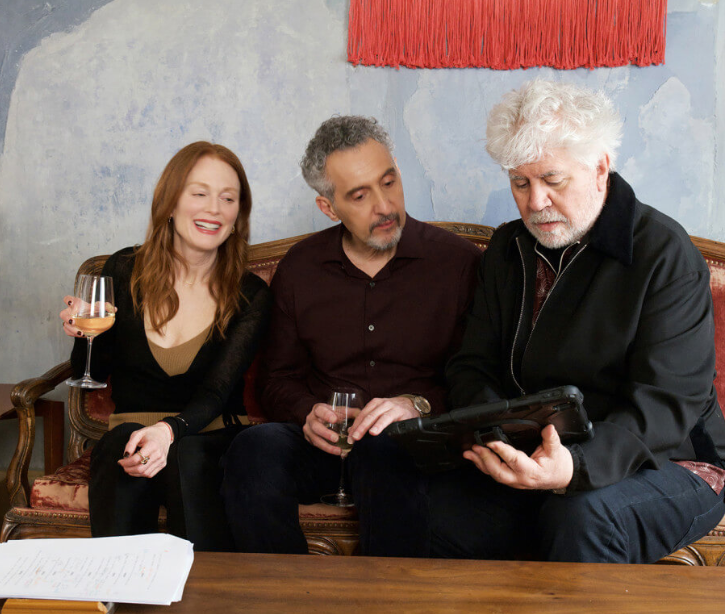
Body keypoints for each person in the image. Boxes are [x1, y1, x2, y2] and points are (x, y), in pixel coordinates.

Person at [438, 79, 725, 563]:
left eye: (552, 180)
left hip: (670, 462)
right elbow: (471, 365)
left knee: (578, 514)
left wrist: (575, 468)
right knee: (413, 487)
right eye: (520, 183)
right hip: (536, 453)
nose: (535, 202)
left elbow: (667, 404)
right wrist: (497, 435)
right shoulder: (507, 249)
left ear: (600, 169)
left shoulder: (664, 252)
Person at [221, 115, 481, 556]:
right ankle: (284, 589)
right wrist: (308, 413)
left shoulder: (458, 263)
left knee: (384, 448)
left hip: (414, 448)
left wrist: (416, 404)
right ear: (329, 207)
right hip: (328, 448)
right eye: (360, 196)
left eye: (389, 182)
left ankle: (389, 592)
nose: (384, 206)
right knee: (252, 449)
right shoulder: (300, 269)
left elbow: (476, 378)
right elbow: (277, 379)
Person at [60, 141, 271, 550]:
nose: (214, 208)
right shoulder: (124, 270)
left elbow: (217, 392)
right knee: (119, 447)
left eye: (228, 198)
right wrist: (85, 334)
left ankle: (202, 586)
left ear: (238, 216)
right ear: (170, 202)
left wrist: (167, 432)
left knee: (185, 456)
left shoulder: (250, 294)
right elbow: (93, 372)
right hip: (130, 436)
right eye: (200, 193)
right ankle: (119, 582)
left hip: (208, 436)